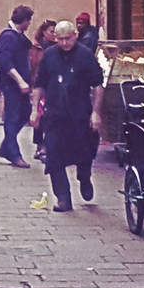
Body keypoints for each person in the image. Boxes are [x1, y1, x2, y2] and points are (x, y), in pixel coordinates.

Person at [31, 20, 105, 212]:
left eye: (67, 38)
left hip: (79, 113)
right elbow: (39, 83)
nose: (64, 43)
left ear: (75, 36)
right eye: (60, 39)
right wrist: (34, 110)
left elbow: (98, 85)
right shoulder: (49, 55)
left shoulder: (85, 55)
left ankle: (84, 176)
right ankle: (63, 197)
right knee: (53, 155)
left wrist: (96, 112)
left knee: (84, 152)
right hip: (54, 114)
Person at [0, 5, 34, 167]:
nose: (29, 24)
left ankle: (6, 147)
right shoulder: (8, 37)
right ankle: (13, 153)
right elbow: (6, 62)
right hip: (12, 85)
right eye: (28, 20)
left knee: (24, 113)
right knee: (12, 117)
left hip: (20, 85)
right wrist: (20, 81)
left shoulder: (18, 35)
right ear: (24, 20)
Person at [28, 20, 58, 161]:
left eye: (55, 31)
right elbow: (32, 66)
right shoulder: (36, 47)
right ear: (44, 32)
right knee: (39, 115)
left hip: (53, 86)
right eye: (51, 31)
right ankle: (39, 145)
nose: (53, 34)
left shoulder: (58, 47)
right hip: (39, 85)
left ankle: (47, 145)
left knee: (49, 116)